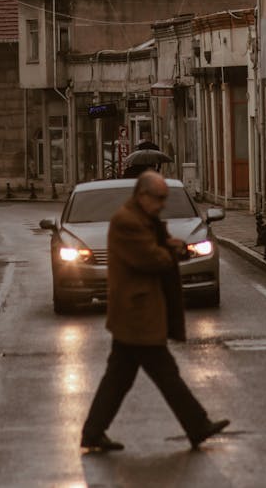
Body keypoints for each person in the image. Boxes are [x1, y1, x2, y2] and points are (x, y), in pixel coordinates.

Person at [81, 170, 229, 452]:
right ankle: (197, 426)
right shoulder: (127, 222)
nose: (162, 204)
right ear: (142, 195)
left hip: (135, 314)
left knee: (119, 378)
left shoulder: (143, 219)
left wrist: (169, 244)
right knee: (165, 373)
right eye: (159, 198)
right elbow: (149, 258)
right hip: (137, 314)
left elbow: (155, 246)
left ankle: (93, 432)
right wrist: (172, 251)